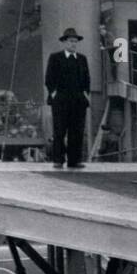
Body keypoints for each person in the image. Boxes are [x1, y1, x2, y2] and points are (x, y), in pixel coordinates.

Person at [45, 27, 91, 169]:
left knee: (77, 131)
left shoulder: (82, 59)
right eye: (71, 41)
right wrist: (54, 93)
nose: (73, 44)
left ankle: (74, 160)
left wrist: (85, 94)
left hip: (78, 101)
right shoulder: (55, 57)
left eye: (75, 41)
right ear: (64, 42)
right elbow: (49, 78)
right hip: (61, 100)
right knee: (59, 131)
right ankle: (58, 160)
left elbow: (87, 79)